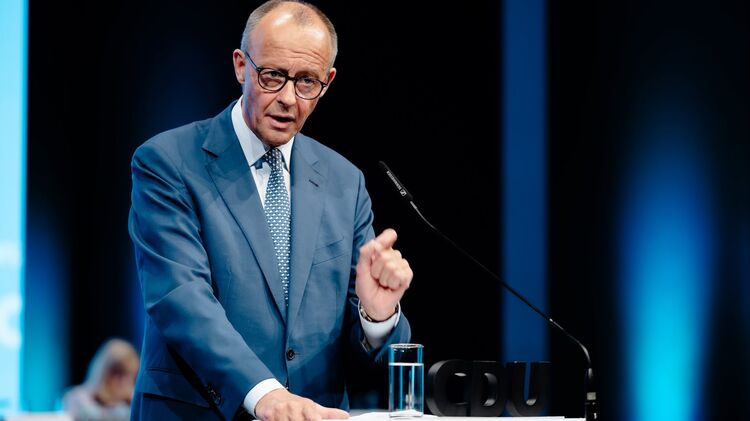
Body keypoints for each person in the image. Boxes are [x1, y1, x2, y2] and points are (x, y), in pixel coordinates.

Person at [127, 1, 414, 420]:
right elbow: (181, 298)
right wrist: (264, 393)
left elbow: (365, 353)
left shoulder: (345, 182)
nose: (287, 99)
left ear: (327, 83)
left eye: (307, 82)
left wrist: (376, 315)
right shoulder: (168, 161)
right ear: (241, 66)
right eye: (273, 76)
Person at [62, 338, 140, 421]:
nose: (124, 381)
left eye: (130, 375)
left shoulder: (134, 402)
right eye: (118, 373)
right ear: (103, 373)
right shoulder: (77, 397)